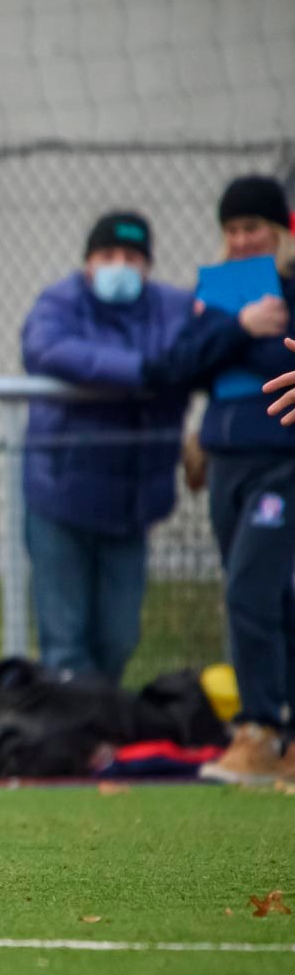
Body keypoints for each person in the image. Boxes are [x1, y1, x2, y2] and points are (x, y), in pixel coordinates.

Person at [20, 211, 287, 685]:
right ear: (88, 263)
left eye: (130, 257)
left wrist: (235, 323)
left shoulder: (172, 305)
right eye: (107, 256)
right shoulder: (60, 302)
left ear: (147, 265)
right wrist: (141, 371)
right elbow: (47, 348)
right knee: (66, 640)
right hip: (62, 496)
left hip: (132, 502)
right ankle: (80, 742)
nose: (118, 266)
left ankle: (99, 725)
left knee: (119, 637)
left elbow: (200, 352)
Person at [146, 175, 295, 785]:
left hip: (282, 459)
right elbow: (175, 365)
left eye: (253, 228)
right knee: (267, 595)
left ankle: (259, 726)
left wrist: (245, 338)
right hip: (226, 460)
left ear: (281, 232)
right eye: (232, 230)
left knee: (250, 590)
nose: (240, 240)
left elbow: (271, 360)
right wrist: (238, 328)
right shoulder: (213, 302)